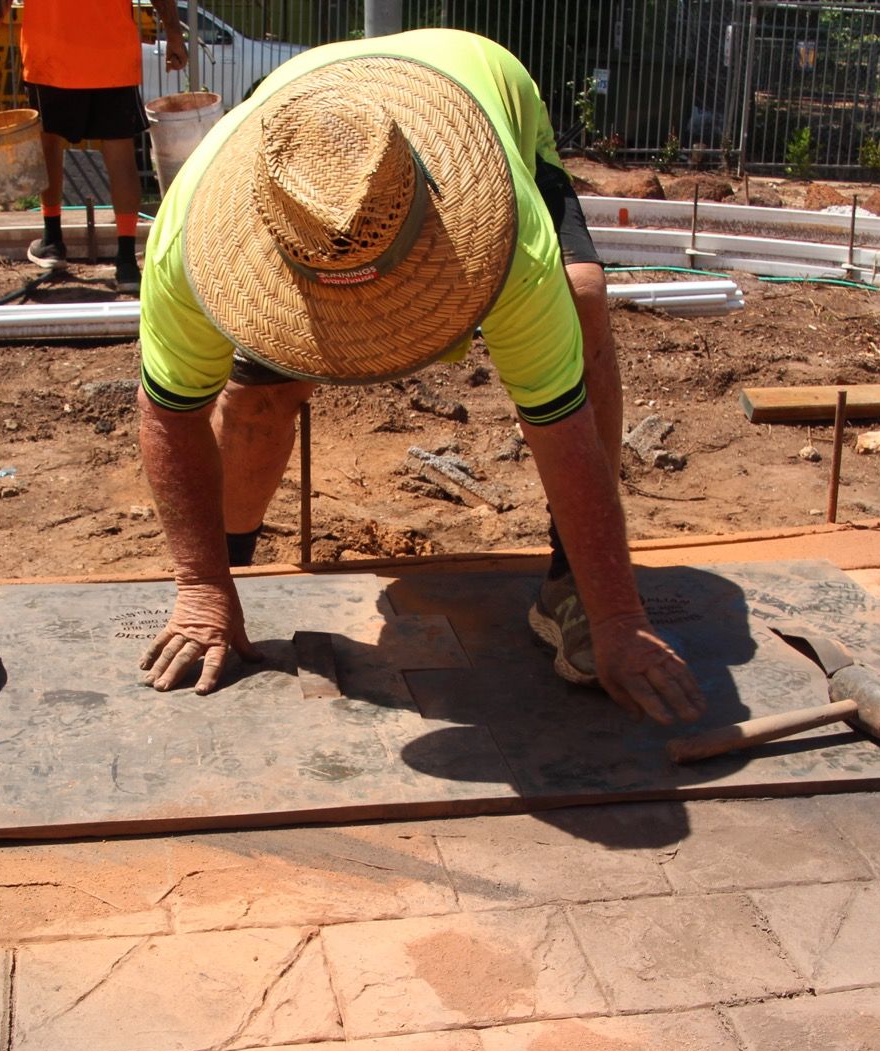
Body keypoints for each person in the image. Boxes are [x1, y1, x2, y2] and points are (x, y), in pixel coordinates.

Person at [132, 28, 705, 727]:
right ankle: (231, 572)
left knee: (580, 299)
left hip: (483, 94)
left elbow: (558, 418)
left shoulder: (511, 241)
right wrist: (203, 588)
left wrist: (620, 616)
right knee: (260, 393)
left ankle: (572, 589)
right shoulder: (189, 241)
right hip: (305, 132)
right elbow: (170, 412)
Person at [0, 0, 187, 294]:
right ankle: (126, 261)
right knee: (121, 158)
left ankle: (52, 241)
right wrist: (174, 35)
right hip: (112, 59)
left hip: (50, 58)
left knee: (48, 147)